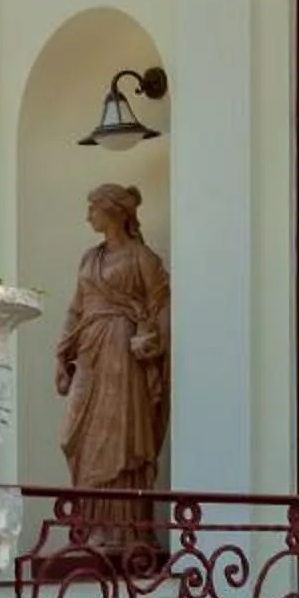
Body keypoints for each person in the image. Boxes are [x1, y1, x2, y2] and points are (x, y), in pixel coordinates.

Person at [53, 181, 171, 554]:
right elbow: (76, 308)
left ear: (113, 211)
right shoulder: (90, 258)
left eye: (93, 207)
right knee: (77, 435)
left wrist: (151, 339)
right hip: (89, 350)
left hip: (123, 354)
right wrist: (61, 355)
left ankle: (125, 533)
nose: (88, 214)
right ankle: (90, 528)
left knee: (120, 439)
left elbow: (159, 308)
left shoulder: (142, 258)